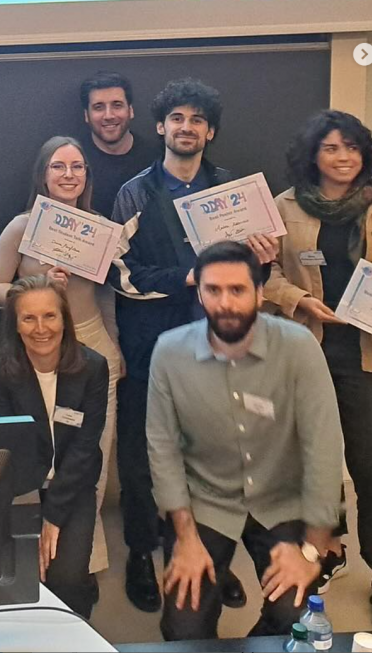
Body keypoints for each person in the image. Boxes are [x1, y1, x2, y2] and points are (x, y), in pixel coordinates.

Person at [107, 79, 273, 613]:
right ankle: (141, 552)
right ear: (160, 126)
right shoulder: (134, 193)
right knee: (140, 456)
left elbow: (252, 279)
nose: (186, 127)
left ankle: (211, 557)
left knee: (214, 454)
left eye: (197, 120)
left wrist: (263, 259)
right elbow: (120, 273)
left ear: (210, 132)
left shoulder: (233, 191)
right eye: (177, 118)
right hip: (151, 346)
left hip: (218, 347)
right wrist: (186, 278)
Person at [147, 242, 343, 641]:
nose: (225, 303)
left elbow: (323, 447)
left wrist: (311, 550)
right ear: (199, 294)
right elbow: (162, 447)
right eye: (213, 290)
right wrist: (184, 537)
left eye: (237, 290)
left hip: (281, 498)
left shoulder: (299, 347)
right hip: (207, 501)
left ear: (259, 292)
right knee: (184, 625)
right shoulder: (169, 352)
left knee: (295, 616)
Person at [263, 109, 372, 627]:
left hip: (368, 356)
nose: (343, 157)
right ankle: (329, 546)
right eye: (331, 147)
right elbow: (264, 272)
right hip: (306, 350)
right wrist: (297, 300)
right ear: (313, 155)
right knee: (315, 460)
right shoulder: (283, 205)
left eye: (352, 147)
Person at [0, 136, 121, 575]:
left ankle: (84, 562)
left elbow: (109, 295)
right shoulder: (22, 227)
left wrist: (115, 345)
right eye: (58, 166)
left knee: (90, 463)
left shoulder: (99, 228)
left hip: (92, 346)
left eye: (77, 167)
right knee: (43, 455)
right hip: (37, 345)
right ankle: (42, 553)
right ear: (43, 174)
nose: (68, 175)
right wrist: (36, 290)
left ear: (87, 176)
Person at [0, 275, 108, 620]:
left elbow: (85, 448)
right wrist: (33, 516)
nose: (41, 329)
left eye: (50, 316)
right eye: (29, 318)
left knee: (67, 579)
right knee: (20, 579)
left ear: (64, 319)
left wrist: (53, 517)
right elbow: (10, 450)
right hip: (20, 488)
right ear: (15, 325)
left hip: (73, 486)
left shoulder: (93, 368)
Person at [79, 72, 157, 219]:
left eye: (117, 105)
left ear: (130, 110)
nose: (109, 115)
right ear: (86, 115)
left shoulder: (157, 159)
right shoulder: (73, 162)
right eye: (98, 107)